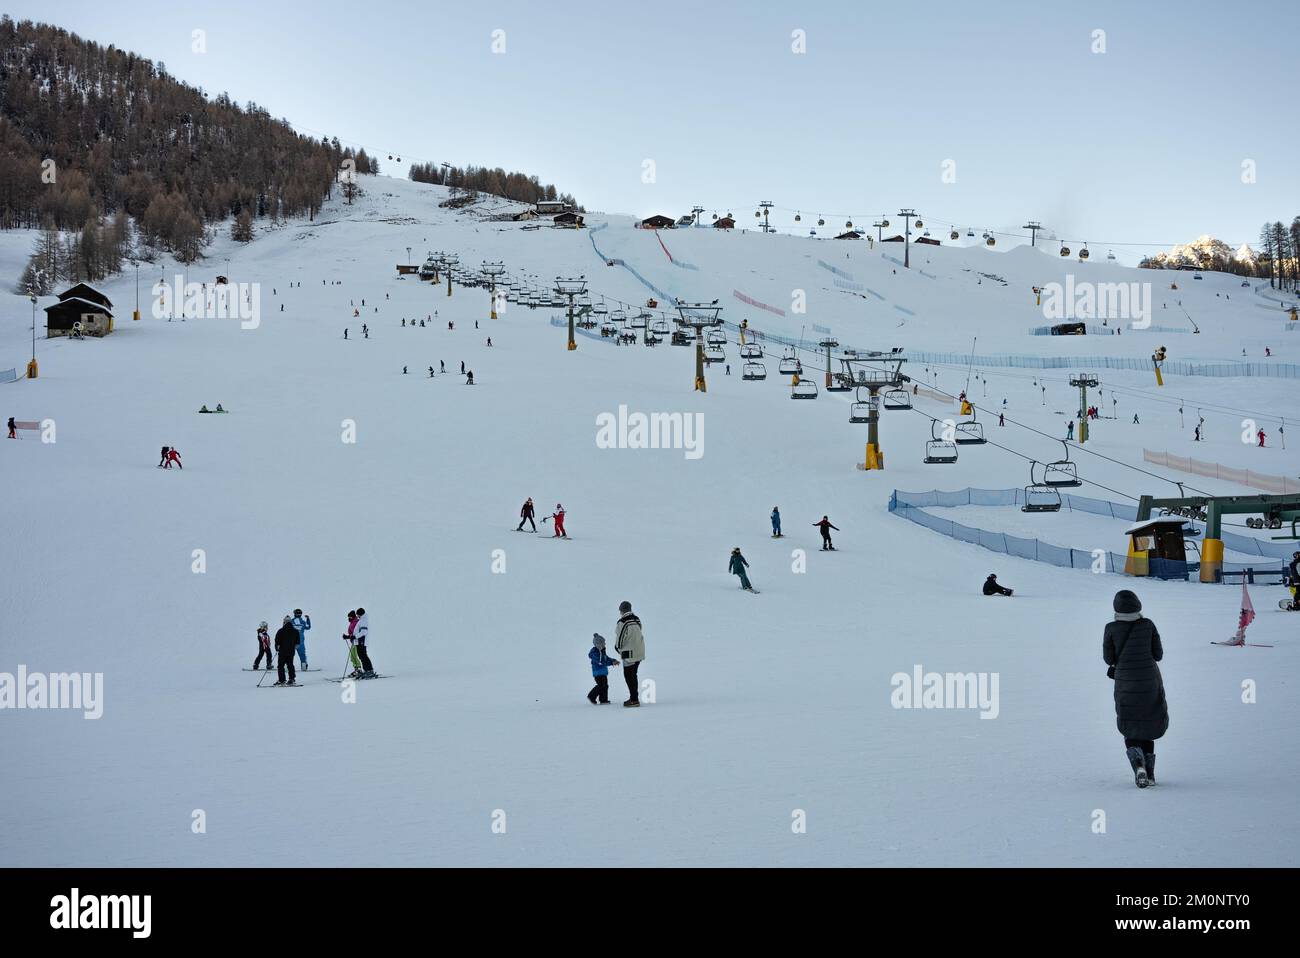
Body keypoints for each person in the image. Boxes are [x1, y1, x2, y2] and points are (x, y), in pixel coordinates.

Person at [1102, 590, 1168, 788]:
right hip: (1149, 681)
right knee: (1148, 724)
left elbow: (1109, 659)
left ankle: (1138, 765)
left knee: (1131, 724)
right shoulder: (1148, 625)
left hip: (1125, 682)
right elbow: (1158, 654)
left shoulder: (1111, 628)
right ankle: (1150, 774)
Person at [613, 601, 644, 708]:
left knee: (628, 676)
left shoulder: (622, 622)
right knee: (633, 675)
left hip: (628, 653)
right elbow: (640, 631)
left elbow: (620, 638)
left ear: (621, 610)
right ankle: (634, 698)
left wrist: (617, 647)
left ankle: (634, 700)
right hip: (639, 650)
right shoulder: (637, 619)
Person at [587, 633, 620, 704]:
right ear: (599, 645)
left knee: (605, 686)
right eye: (603, 643)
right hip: (598, 672)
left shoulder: (602, 651)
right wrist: (611, 663)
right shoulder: (595, 653)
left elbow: (606, 658)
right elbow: (601, 661)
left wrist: (613, 660)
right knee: (601, 685)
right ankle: (591, 696)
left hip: (603, 672)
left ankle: (603, 699)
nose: (605, 644)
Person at [274, 615, 299, 686]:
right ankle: (292, 679)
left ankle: (282, 680)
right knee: (290, 665)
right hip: (291, 652)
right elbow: (297, 643)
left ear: (284, 622)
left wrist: (277, 648)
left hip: (282, 652)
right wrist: (293, 648)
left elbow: (277, 641)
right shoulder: (295, 631)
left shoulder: (280, 631)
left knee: (281, 666)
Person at [353, 607, 375, 677]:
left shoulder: (363, 620)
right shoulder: (362, 620)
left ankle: (369, 670)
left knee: (363, 655)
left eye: (357, 615)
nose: (357, 616)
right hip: (359, 641)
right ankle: (366, 670)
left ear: (360, 614)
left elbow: (364, 632)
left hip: (362, 641)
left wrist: (355, 636)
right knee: (361, 656)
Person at [343, 610, 363, 677]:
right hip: (353, 642)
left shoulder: (355, 622)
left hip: (356, 642)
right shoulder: (352, 622)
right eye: (348, 617)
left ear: (353, 616)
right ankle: (356, 669)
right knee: (352, 656)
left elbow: (355, 633)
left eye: (350, 617)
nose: (349, 618)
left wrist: (348, 636)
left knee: (354, 656)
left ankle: (359, 669)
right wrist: (347, 636)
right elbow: (351, 633)